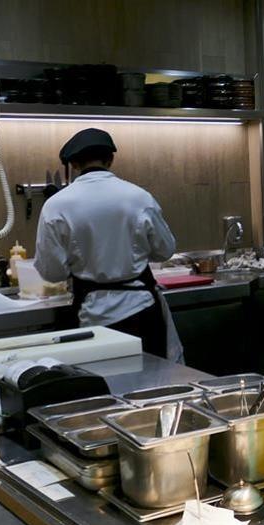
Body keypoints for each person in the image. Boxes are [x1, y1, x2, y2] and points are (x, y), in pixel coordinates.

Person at [34, 128, 183, 362]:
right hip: (141, 309)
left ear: (73, 165)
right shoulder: (139, 197)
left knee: (104, 390)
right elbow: (165, 250)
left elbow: (51, 272)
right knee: (152, 387)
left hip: (92, 318)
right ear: (110, 160)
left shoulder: (56, 206)